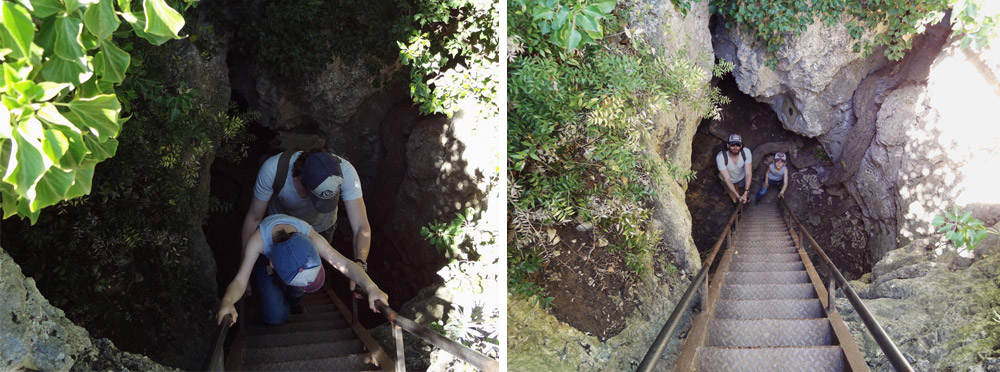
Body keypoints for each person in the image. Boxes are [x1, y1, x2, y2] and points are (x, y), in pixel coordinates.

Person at [217, 213, 388, 326]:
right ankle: (279, 306)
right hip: (265, 261)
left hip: (287, 263)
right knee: (276, 317)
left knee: (297, 293)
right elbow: (240, 280)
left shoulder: (310, 235)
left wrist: (371, 287)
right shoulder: (258, 242)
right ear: (273, 265)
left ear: (313, 247)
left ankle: (293, 301)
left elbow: (345, 264)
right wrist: (227, 301)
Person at [242, 150, 372, 293]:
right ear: (302, 178)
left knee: (306, 276)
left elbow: (361, 226)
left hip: (321, 229)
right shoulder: (273, 170)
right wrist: (245, 271)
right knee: (282, 272)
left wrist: (360, 264)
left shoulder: (346, 172)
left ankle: (297, 296)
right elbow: (254, 218)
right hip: (282, 233)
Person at [717, 134, 753, 204]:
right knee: (732, 194)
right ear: (728, 145)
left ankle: (744, 197)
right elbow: (727, 179)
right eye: (732, 145)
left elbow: (748, 173)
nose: (735, 147)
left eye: (738, 145)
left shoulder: (746, 152)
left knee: (741, 189)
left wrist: (746, 192)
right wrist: (738, 196)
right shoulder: (721, 157)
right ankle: (736, 204)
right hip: (726, 179)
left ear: (741, 146)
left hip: (740, 177)